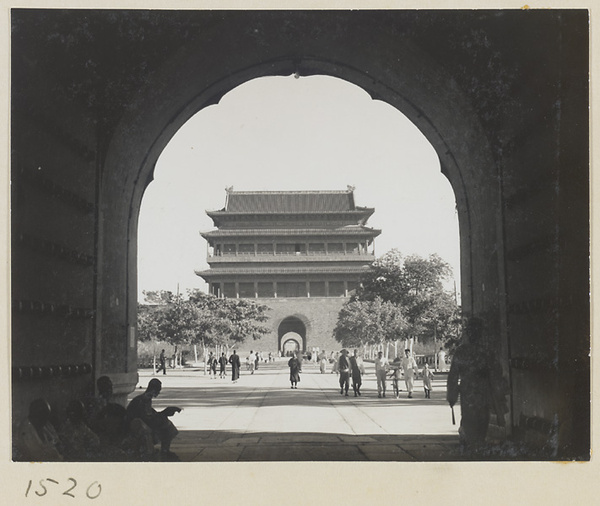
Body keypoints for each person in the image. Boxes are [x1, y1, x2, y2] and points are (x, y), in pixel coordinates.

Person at [447, 317, 509, 451]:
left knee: (470, 420)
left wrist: (452, 395)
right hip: (482, 392)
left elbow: (453, 376)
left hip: (469, 392)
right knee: (481, 421)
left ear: (468, 333)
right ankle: (477, 447)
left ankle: (472, 446)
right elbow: (496, 373)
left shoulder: (461, 352)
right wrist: (498, 393)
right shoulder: (486, 352)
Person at [126, 378, 181, 460]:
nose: (158, 393)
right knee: (167, 425)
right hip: (136, 425)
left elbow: (151, 414)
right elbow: (147, 418)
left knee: (165, 422)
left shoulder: (145, 399)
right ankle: (164, 451)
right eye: (158, 390)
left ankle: (165, 450)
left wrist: (164, 413)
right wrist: (164, 413)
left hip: (142, 422)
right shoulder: (144, 400)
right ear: (154, 390)